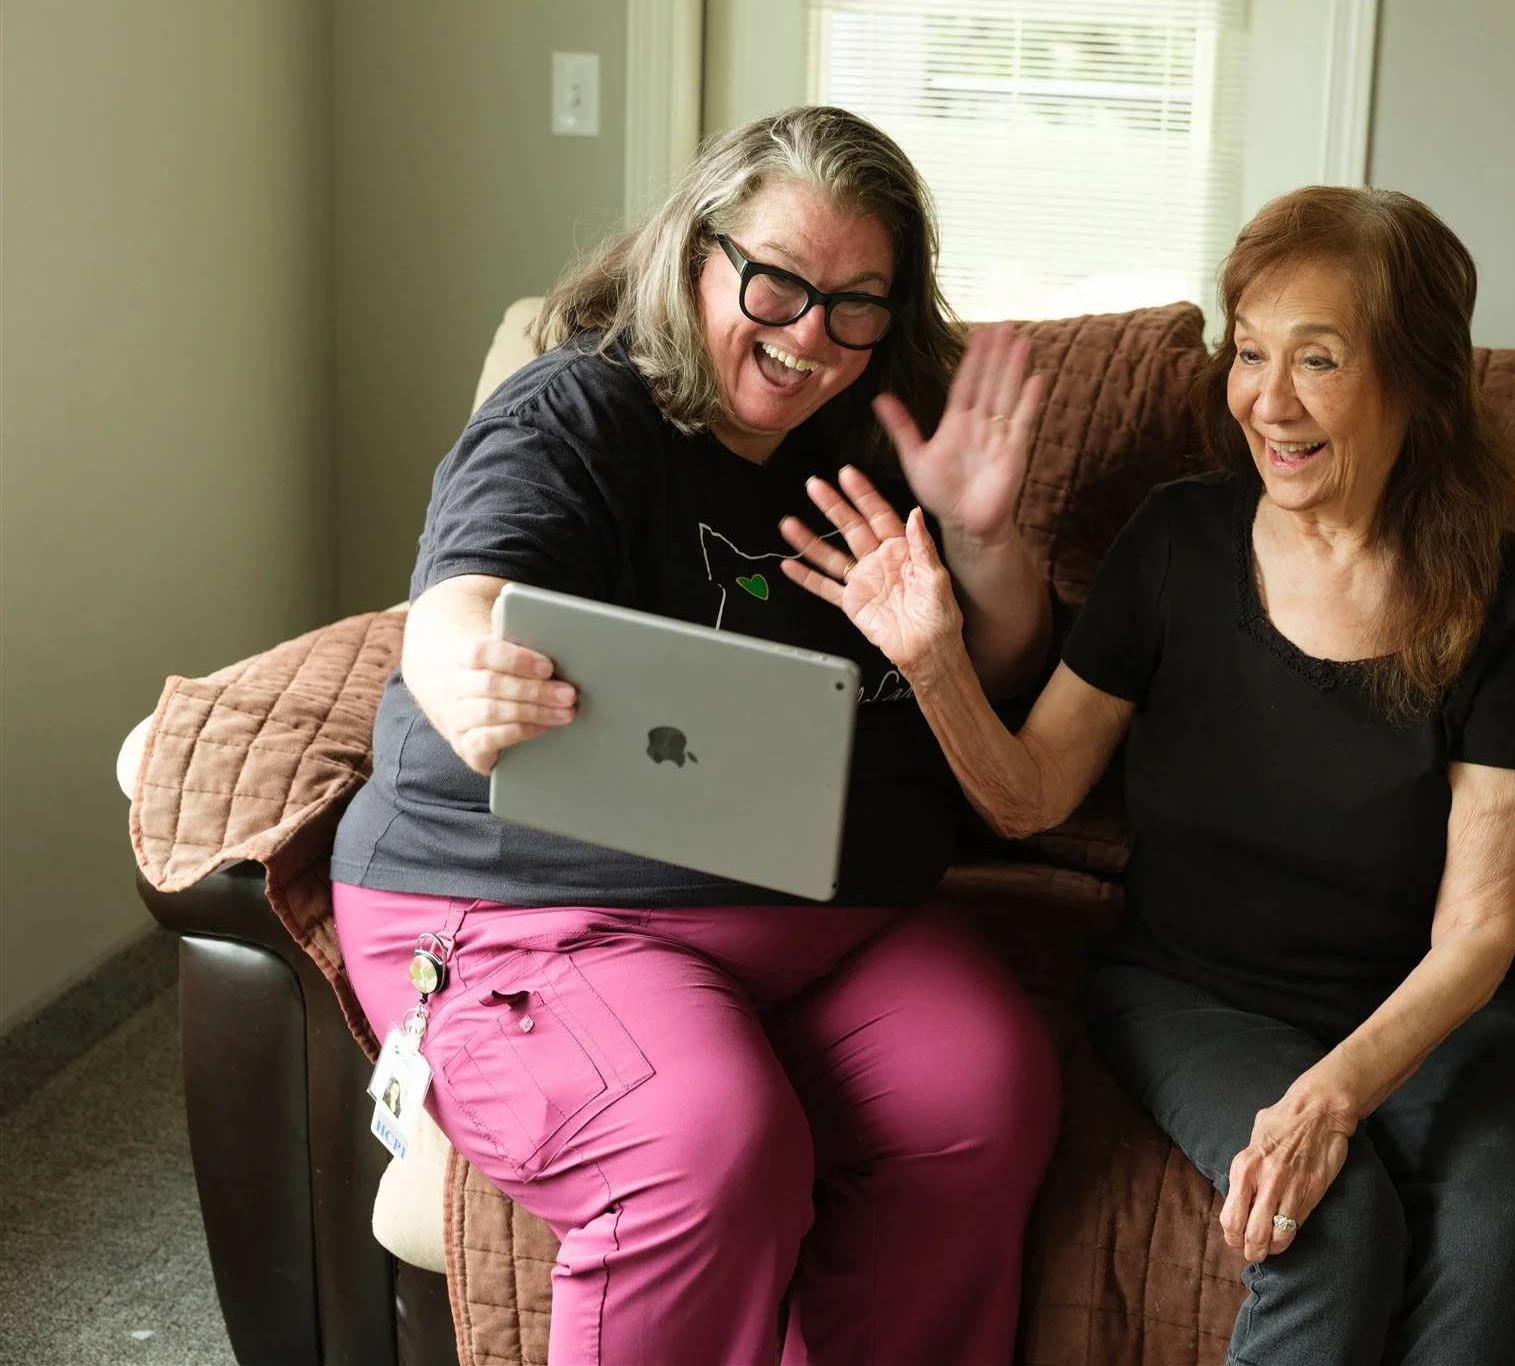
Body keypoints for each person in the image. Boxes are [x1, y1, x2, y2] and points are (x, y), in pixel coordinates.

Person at [784, 185, 1515, 1365]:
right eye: (1248, 352)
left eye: (1318, 359)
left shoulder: (1509, 603)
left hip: (1430, 1007)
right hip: (1197, 988)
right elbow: (1028, 796)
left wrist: (1329, 1096)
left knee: (1498, 1231)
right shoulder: (1175, 543)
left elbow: (1474, 936)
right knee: (1331, 1219)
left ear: (1417, 378)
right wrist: (935, 662)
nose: (1267, 399)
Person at [328, 106, 1062, 1366]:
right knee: (699, 1147)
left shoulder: (884, 438)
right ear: (696, 251)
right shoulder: (578, 414)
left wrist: (981, 542)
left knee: (981, 1097)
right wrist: (464, 675)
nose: (806, 337)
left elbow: (995, 685)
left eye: (855, 304)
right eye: (775, 282)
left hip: (826, 919)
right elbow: (458, 598)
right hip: (541, 910)